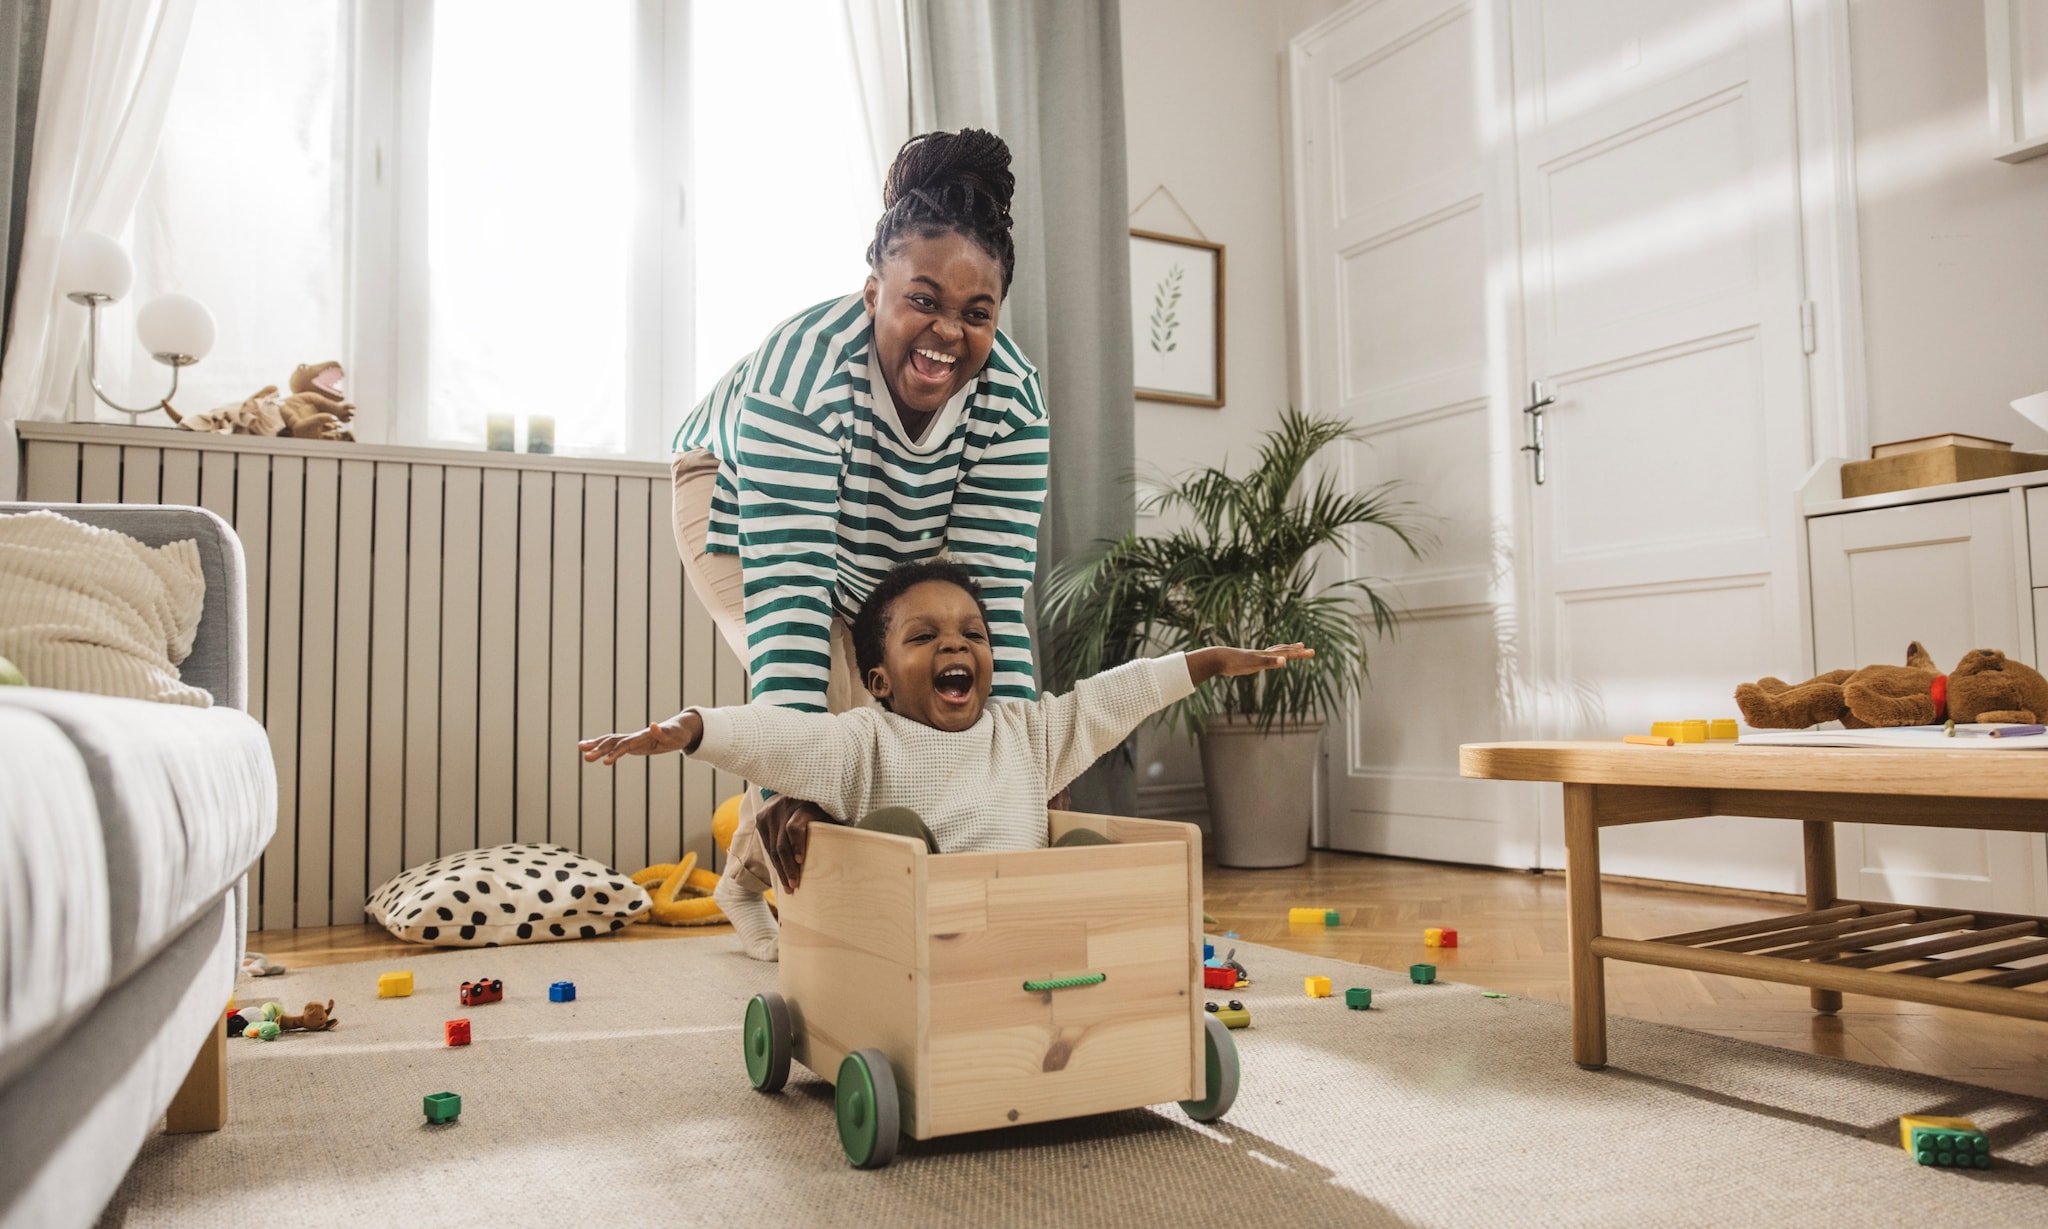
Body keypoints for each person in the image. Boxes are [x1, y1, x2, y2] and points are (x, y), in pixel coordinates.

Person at [666, 128, 1049, 961]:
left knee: (915, 700)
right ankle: (788, 880)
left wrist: (1022, 784)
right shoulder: (798, 384)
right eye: (923, 300)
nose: (948, 332)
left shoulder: (1014, 408)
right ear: (873, 288)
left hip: (886, 532)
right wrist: (788, 790)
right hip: (730, 496)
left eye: (976, 312)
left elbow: (989, 611)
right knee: (846, 714)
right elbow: (792, 607)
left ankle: (743, 876)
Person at [580, 560, 1312, 880]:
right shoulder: (862, 742)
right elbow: (777, 736)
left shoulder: (1029, 733)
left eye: (972, 633)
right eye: (924, 636)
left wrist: (1206, 660)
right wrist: (693, 728)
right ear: (878, 681)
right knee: (899, 836)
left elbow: (1111, 698)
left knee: (1089, 844)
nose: (956, 644)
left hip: (1026, 931)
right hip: (915, 938)